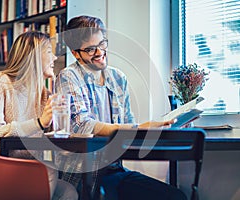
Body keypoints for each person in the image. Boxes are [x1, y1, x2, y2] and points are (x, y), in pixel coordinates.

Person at [55, 15, 187, 200]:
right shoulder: (68, 76)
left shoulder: (117, 78)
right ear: (76, 53)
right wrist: (138, 128)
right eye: (91, 49)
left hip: (115, 169)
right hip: (83, 174)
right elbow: (82, 125)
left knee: (175, 196)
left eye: (102, 44)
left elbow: (128, 125)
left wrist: (160, 128)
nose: (100, 52)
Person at [0, 31, 78, 200]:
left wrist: (63, 128)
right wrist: (39, 123)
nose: (55, 58)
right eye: (49, 52)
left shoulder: (44, 96)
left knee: (68, 191)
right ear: (32, 57)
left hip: (20, 171)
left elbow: (55, 148)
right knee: (47, 171)